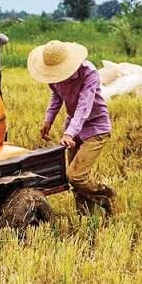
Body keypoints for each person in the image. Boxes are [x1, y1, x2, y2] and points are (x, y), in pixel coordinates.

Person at [27, 40, 117, 216]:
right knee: (75, 183)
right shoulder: (53, 77)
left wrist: (69, 133)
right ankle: (84, 217)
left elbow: (84, 106)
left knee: (76, 176)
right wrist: (48, 120)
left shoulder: (88, 72)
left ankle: (106, 195)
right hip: (74, 127)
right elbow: (56, 96)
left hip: (96, 127)